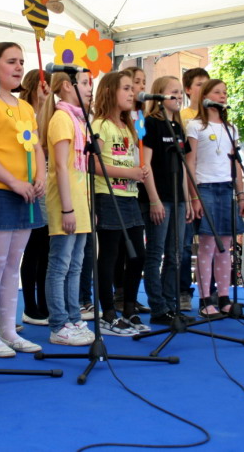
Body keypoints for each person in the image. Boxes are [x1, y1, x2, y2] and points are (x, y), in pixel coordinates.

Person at [0, 42, 46, 357]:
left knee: (14, 263)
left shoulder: (25, 107)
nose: (18, 68)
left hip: (26, 193)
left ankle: (8, 330)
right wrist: (13, 181)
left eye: (21, 62)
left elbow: (36, 146)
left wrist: (40, 176)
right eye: (11, 62)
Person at [91, 70, 152, 335]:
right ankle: (108, 313)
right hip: (108, 196)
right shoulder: (100, 125)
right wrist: (130, 173)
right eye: (125, 88)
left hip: (130, 197)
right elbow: (94, 164)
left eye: (132, 88)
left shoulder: (128, 126)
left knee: (138, 255)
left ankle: (129, 308)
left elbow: (132, 159)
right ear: (109, 92)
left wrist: (140, 170)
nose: (131, 93)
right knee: (109, 255)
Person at [38, 71, 95, 345]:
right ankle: (59, 324)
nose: (89, 88)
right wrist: (68, 209)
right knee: (60, 264)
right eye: (84, 83)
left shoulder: (80, 120)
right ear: (66, 86)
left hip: (80, 201)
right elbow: (60, 166)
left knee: (76, 265)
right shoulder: (62, 118)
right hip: (66, 202)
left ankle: (74, 317)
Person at [186, 79, 244, 317]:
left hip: (226, 189)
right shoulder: (195, 126)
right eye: (217, 92)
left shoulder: (231, 129)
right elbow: (190, 163)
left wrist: (241, 195)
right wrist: (194, 196)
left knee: (226, 246)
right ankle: (205, 299)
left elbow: (236, 165)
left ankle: (224, 297)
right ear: (205, 96)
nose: (223, 96)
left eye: (225, 92)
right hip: (205, 188)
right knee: (208, 245)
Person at [139, 76, 195, 325]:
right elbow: (146, 164)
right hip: (159, 197)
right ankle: (158, 307)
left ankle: (172, 305)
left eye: (181, 92)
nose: (179, 96)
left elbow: (182, 166)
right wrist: (154, 199)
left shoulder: (178, 126)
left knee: (176, 254)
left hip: (177, 198)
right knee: (156, 253)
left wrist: (188, 200)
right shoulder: (152, 123)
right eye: (174, 92)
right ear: (160, 95)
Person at [114, 66, 149, 315]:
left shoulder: (140, 117)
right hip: (120, 187)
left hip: (137, 185)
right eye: (135, 82)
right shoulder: (118, 120)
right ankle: (119, 295)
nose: (140, 87)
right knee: (119, 248)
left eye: (143, 82)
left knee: (137, 249)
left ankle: (131, 298)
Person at [18, 69, 51, 326]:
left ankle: (43, 303)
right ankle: (30, 305)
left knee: (45, 248)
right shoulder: (25, 111)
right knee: (33, 248)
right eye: (43, 85)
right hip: (30, 184)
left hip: (46, 184)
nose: (47, 89)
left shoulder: (49, 111)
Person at [178, 67, 210, 310]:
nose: (204, 89)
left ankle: (212, 293)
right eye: (199, 84)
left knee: (211, 241)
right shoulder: (183, 117)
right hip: (187, 185)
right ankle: (182, 292)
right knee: (185, 244)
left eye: (207, 84)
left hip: (210, 185)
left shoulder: (215, 118)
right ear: (188, 89)